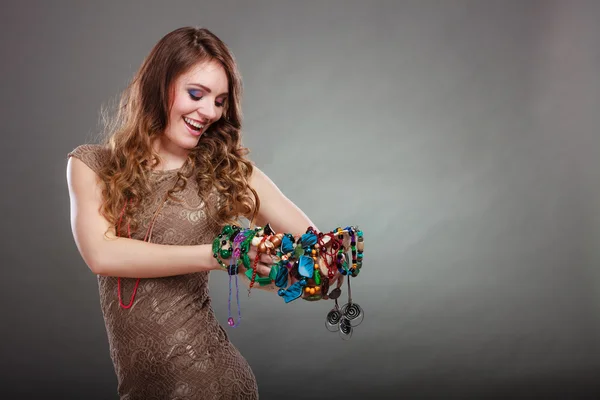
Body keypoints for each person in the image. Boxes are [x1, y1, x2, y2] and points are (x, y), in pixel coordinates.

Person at [66, 26, 318, 399]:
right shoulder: (91, 165)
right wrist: (218, 255)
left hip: (211, 382)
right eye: (196, 94)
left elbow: (317, 258)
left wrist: (275, 271)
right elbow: (101, 254)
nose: (209, 112)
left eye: (219, 101)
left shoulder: (228, 174)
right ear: (158, 84)